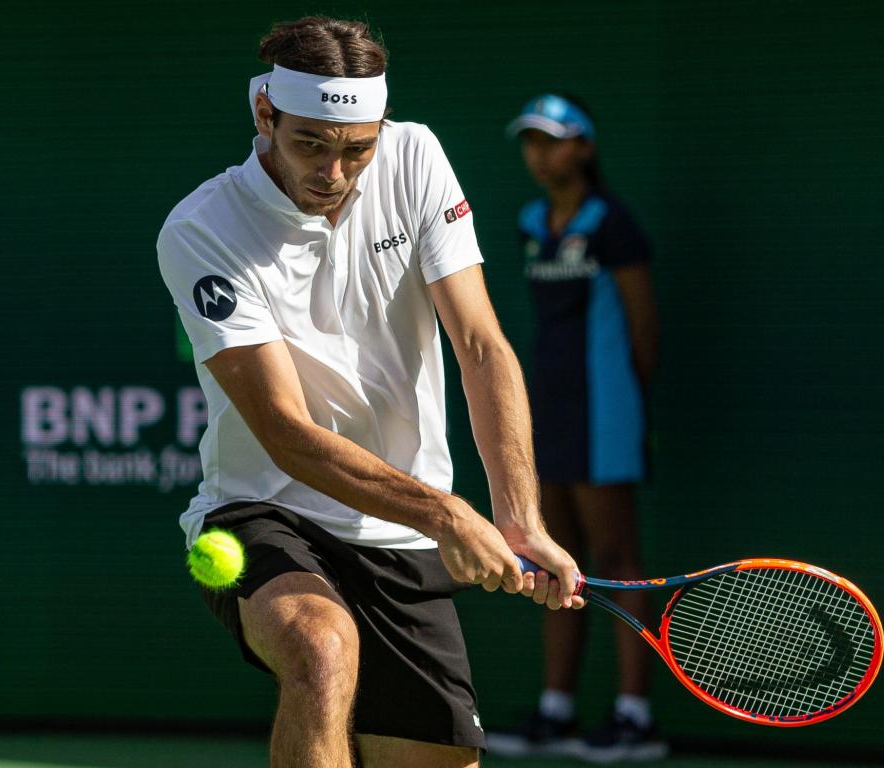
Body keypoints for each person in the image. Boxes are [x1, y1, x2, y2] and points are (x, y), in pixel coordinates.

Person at [156, 18, 581, 768]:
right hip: (266, 506)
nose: (335, 172)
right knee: (320, 650)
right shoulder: (202, 228)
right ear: (266, 116)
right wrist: (448, 512)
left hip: (401, 537)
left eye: (358, 148)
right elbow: (283, 430)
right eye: (310, 145)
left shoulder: (416, 157)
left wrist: (519, 518)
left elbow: (481, 347)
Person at [485, 94, 665, 763]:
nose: (540, 154)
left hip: (606, 413)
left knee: (618, 561)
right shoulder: (533, 222)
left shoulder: (612, 222)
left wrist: (628, 407)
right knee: (554, 561)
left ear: (584, 147)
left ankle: (634, 716)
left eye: (553, 141)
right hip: (547, 414)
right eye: (531, 141)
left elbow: (643, 325)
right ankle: (556, 710)